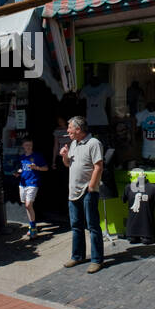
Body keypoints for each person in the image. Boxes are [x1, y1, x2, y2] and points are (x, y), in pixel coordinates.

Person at [60, 116, 105, 273]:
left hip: (87, 191)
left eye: (70, 128)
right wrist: (64, 156)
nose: (68, 131)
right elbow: (68, 164)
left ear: (78, 129)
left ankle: (96, 259)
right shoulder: (73, 143)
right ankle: (77, 256)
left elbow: (98, 166)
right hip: (73, 192)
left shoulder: (94, 143)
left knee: (92, 226)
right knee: (76, 226)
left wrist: (92, 187)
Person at [15, 137, 47, 239]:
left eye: (30, 145)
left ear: (32, 145)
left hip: (33, 183)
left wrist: (36, 167)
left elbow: (46, 168)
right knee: (27, 206)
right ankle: (32, 225)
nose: (28, 147)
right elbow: (21, 169)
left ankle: (33, 228)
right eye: (26, 145)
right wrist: (18, 173)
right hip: (23, 183)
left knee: (29, 204)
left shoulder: (37, 156)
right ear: (23, 146)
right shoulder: (22, 157)